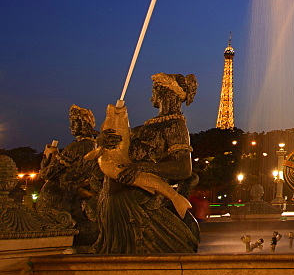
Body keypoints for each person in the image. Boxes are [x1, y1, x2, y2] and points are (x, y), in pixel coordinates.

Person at [93, 73, 199, 254]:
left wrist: (141, 167)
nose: (152, 94)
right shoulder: (146, 127)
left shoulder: (175, 125)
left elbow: (184, 168)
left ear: (167, 92)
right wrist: (102, 140)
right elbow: (116, 147)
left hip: (137, 198)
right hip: (113, 194)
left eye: (155, 89)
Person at [38, 105, 102, 245]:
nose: (71, 127)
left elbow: (47, 174)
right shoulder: (95, 147)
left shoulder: (75, 148)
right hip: (75, 197)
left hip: (55, 196)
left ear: (82, 124)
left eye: (74, 122)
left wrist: (48, 156)